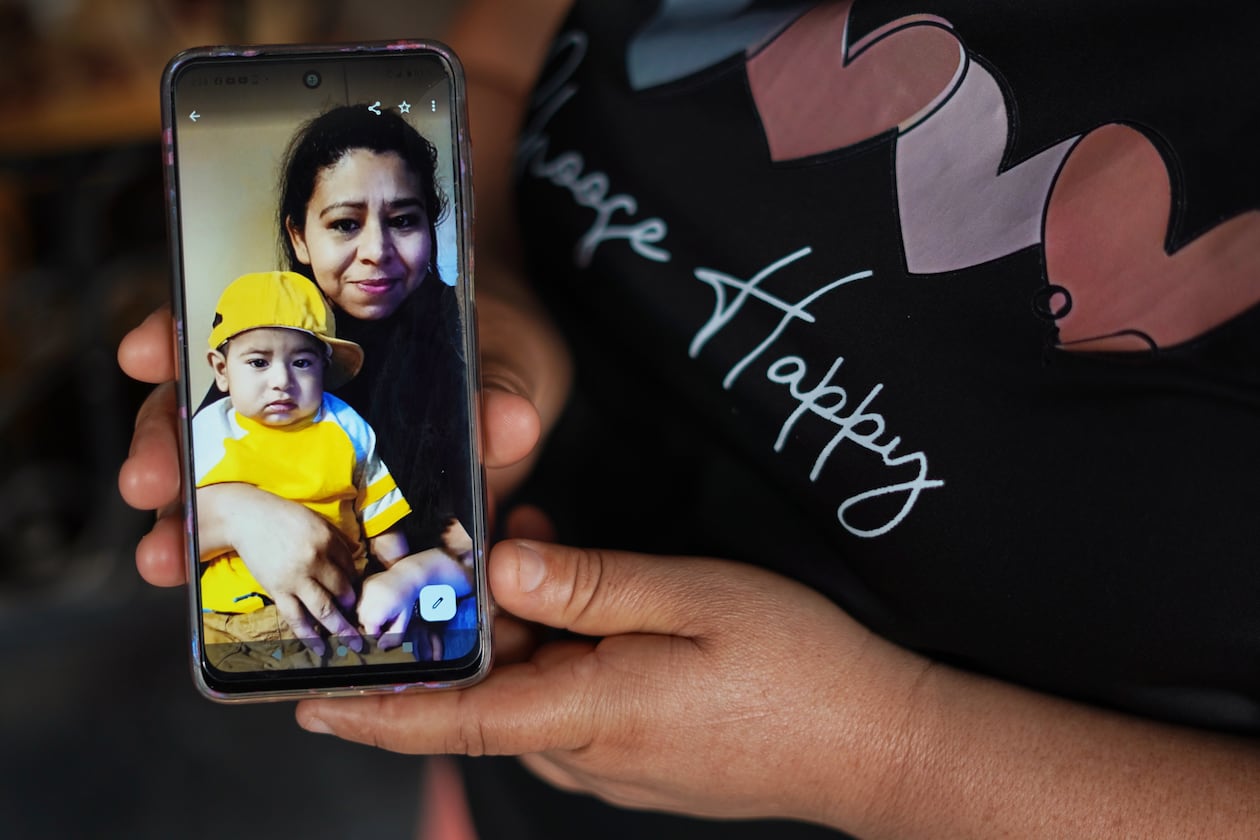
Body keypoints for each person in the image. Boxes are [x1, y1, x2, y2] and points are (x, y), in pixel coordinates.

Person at [120, 0, 1260, 838]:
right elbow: (514, 52)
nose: (374, 251)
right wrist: (501, 277)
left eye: (402, 218)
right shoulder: (366, 395)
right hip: (515, 741)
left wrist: (892, 755)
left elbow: (397, 531)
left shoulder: (357, 438)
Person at [193, 270, 469, 667]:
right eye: (258, 362)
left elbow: (381, 517)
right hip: (231, 616)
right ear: (221, 370)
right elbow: (184, 526)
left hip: (336, 610)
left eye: (301, 362)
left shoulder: (345, 427)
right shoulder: (210, 431)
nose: (281, 381)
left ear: (323, 367)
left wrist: (400, 583)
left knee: (397, 662)